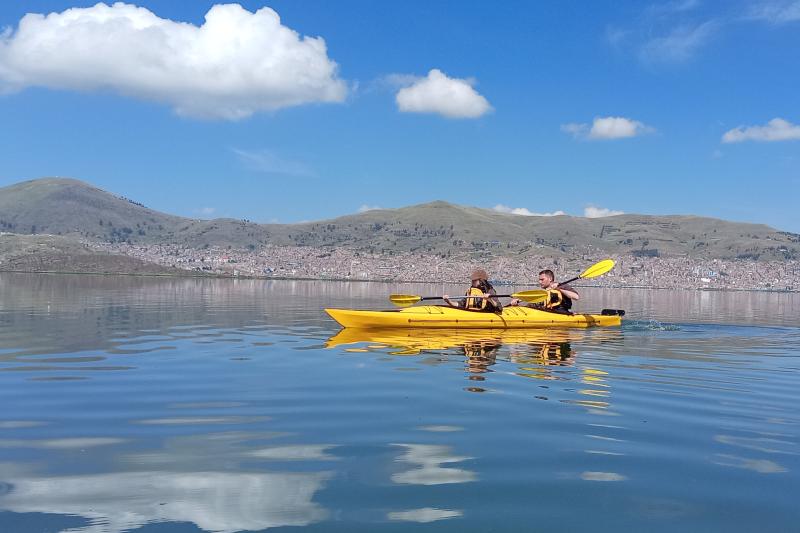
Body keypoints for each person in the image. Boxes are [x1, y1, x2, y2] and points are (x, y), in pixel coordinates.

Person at [510, 269, 579, 313]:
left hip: (561, 313)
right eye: (539, 280)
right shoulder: (543, 293)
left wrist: (559, 289)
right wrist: (516, 305)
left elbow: (576, 297)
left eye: (542, 279)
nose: (539, 282)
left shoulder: (561, 286)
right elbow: (531, 307)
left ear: (550, 279)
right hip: (547, 313)